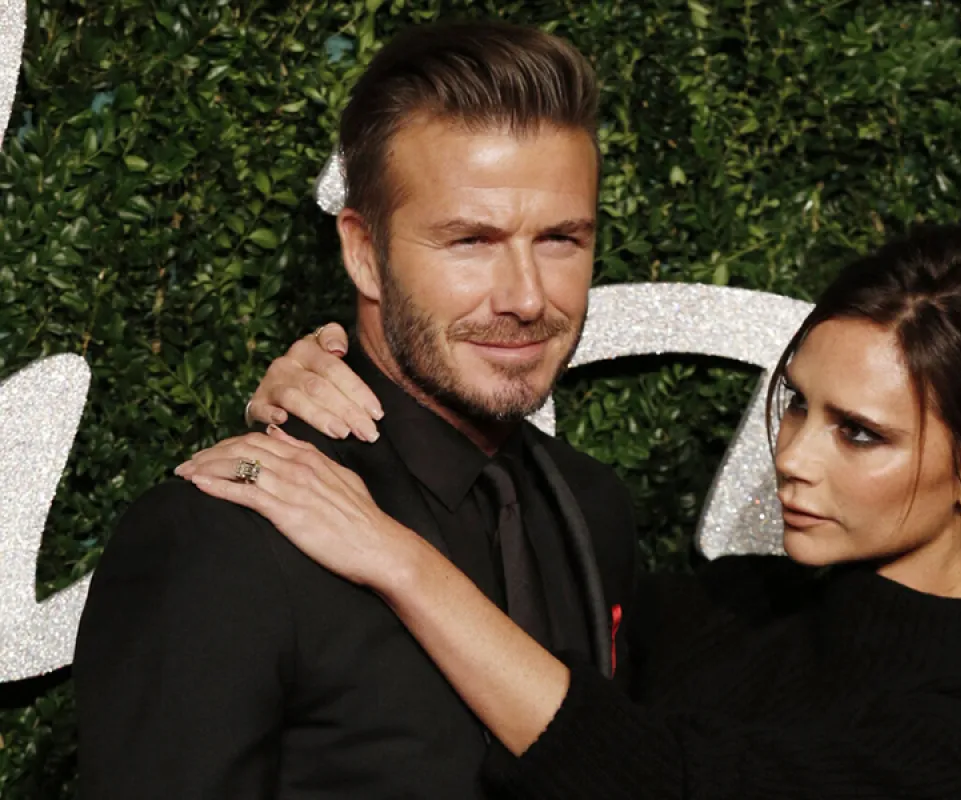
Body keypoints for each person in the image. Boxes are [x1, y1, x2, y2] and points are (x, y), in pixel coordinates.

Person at [184, 223, 961, 799]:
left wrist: (397, 558)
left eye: (860, 434)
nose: (794, 458)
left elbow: (657, 777)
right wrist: (347, 409)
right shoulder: (724, 603)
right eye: (798, 404)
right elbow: (507, 663)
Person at [74, 21, 637, 799]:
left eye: (561, 239)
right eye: (471, 241)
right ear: (364, 253)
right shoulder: (222, 537)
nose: (526, 298)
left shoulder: (592, 506)